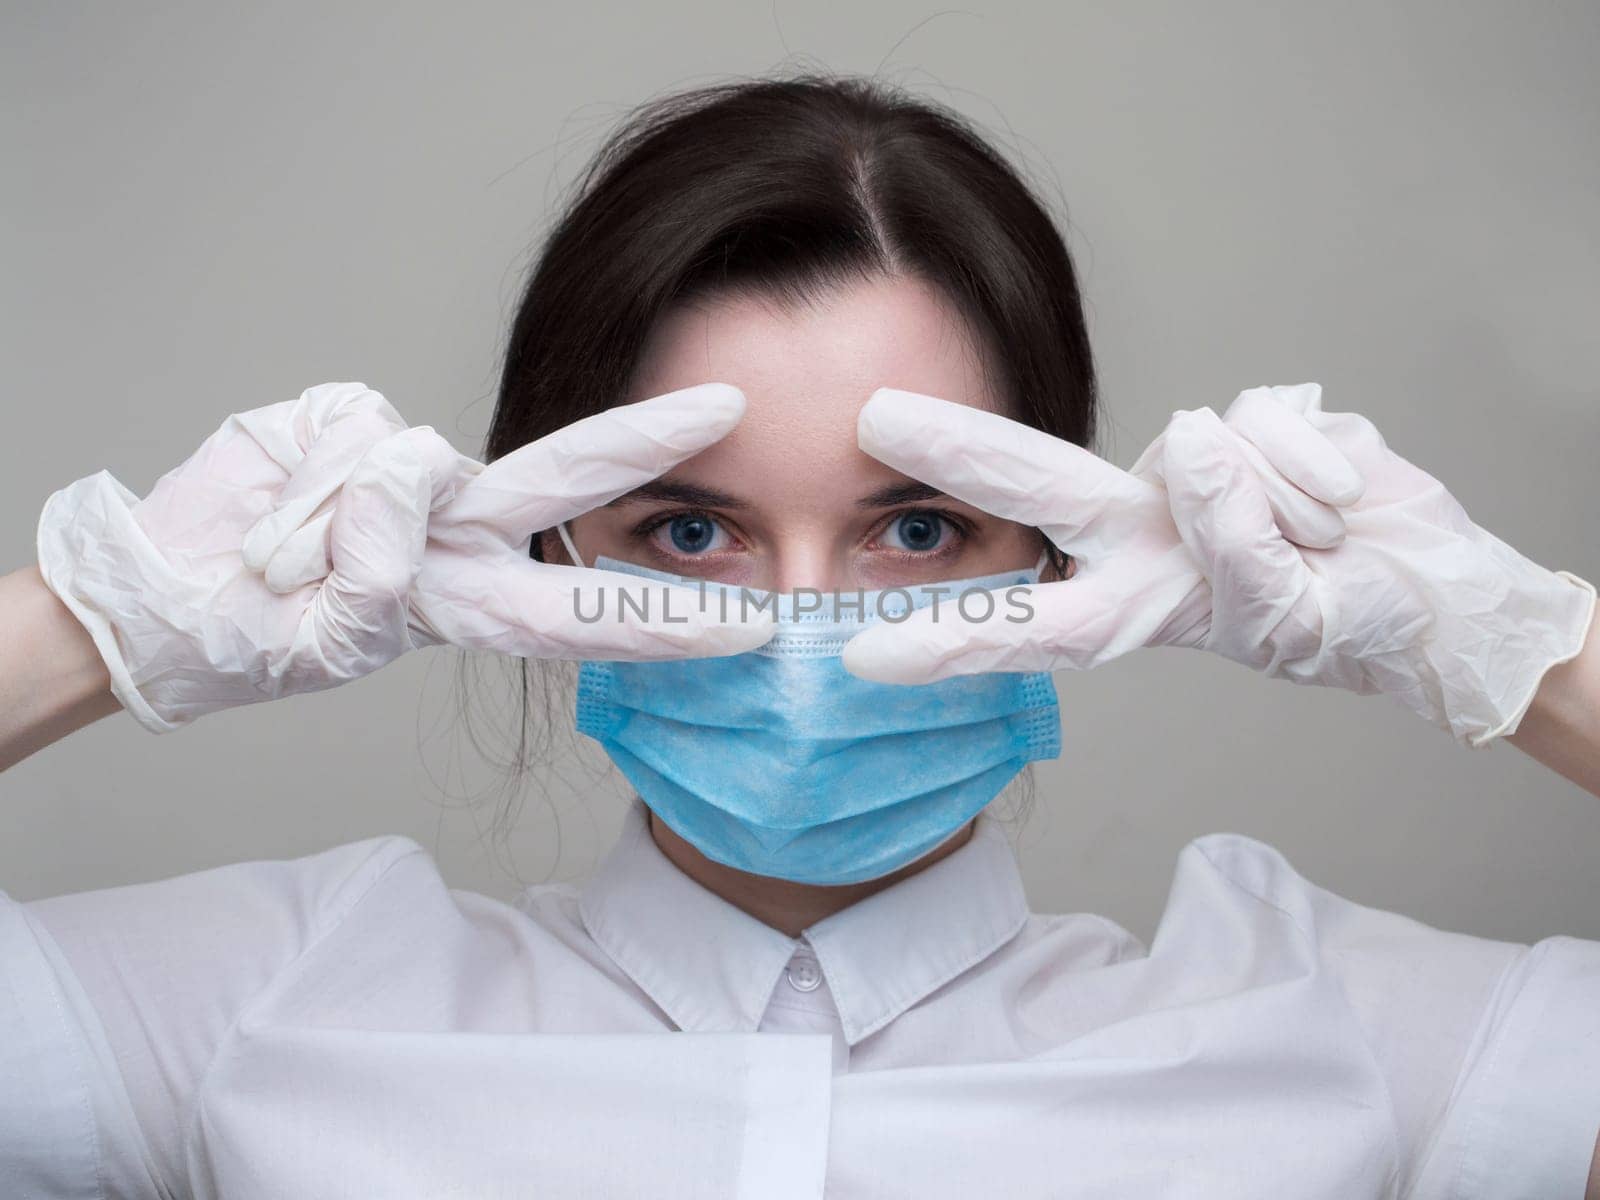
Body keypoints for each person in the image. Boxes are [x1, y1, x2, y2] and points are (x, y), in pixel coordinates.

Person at [2, 73, 1597, 1200]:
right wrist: (102, 622)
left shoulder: (1343, 1039)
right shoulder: (253, 1014)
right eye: (691, 532)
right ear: (546, 553)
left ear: (1064, 551)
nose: (805, 634)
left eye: (917, 529)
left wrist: (1515, 646)